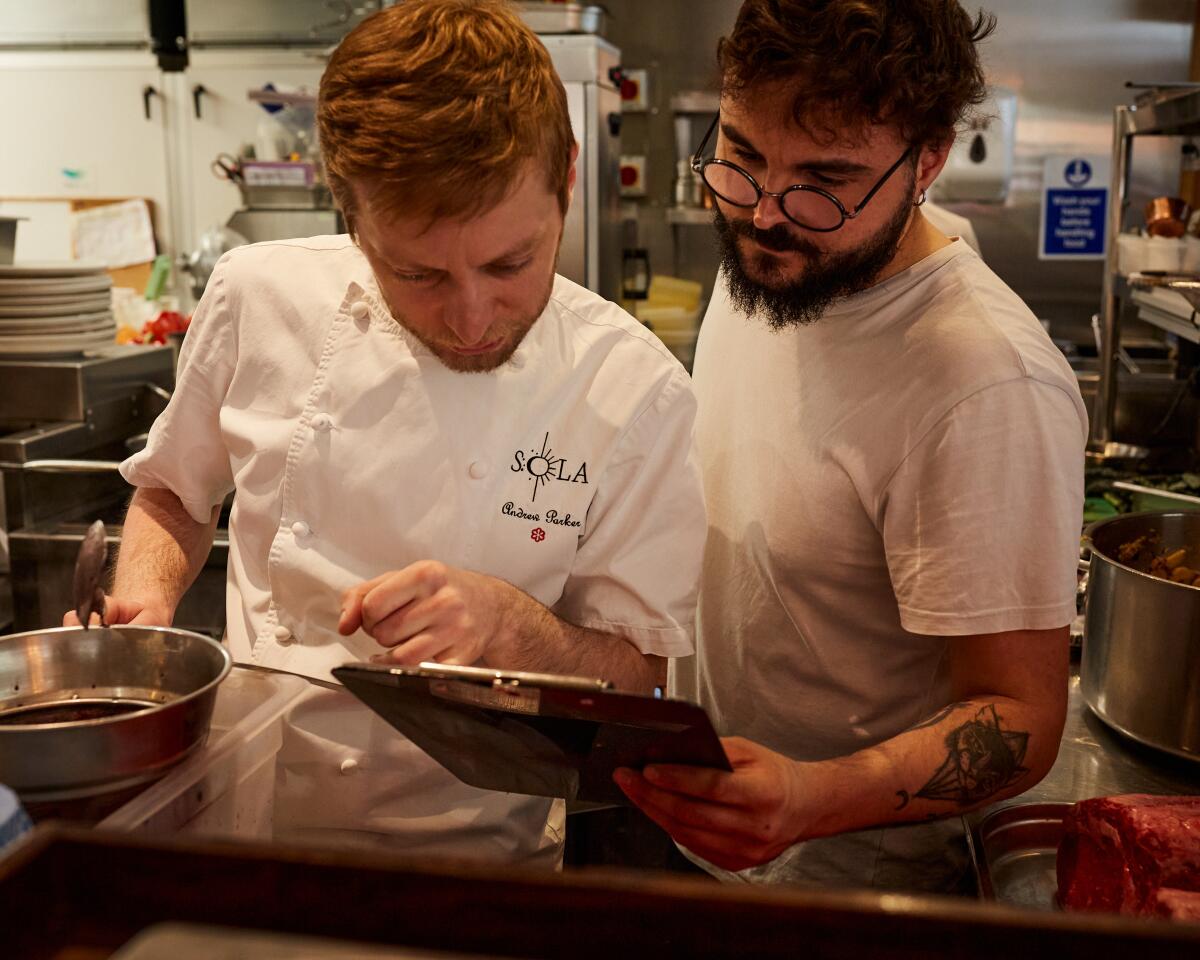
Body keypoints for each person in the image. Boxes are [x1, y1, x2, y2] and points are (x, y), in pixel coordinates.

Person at [71, 0, 704, 866]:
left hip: (476, 863)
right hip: (239, 825)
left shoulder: (636, 391)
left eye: (511, 263)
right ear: (348, 216)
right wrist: (146, 598)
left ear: (568, 181)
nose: (473, 315)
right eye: (417, 272)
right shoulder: (258, 295)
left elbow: (647, 682)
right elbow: (175, 490)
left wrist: (513, 627)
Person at [615, 0, 1087, 894]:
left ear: (930, 160)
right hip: (693, 838)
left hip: (847, 888)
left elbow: (1021, 718)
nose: (763, 214)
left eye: (825, 180)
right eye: (741, 156)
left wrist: (813, 796)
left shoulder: (985, 385)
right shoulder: (771, 257)